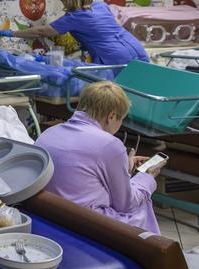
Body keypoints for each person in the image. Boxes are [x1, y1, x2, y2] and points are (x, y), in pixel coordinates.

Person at [36, 81, 164, 234]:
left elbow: (81, 174)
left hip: (49, 212)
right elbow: (126, 204)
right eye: (121, 119)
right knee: (142, 203)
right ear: (111, 116)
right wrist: (146, 177)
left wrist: (124, 167)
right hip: (86, 223)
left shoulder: (49, 133)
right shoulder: (110, 145)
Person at [0, 0, 148, 65]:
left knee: (109, 98)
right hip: (136, 48)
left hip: (114, 56)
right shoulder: (101, 5)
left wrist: (12, 33)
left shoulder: (74, 17)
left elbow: (42, 31)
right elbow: (105, 29)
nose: (61, 0)